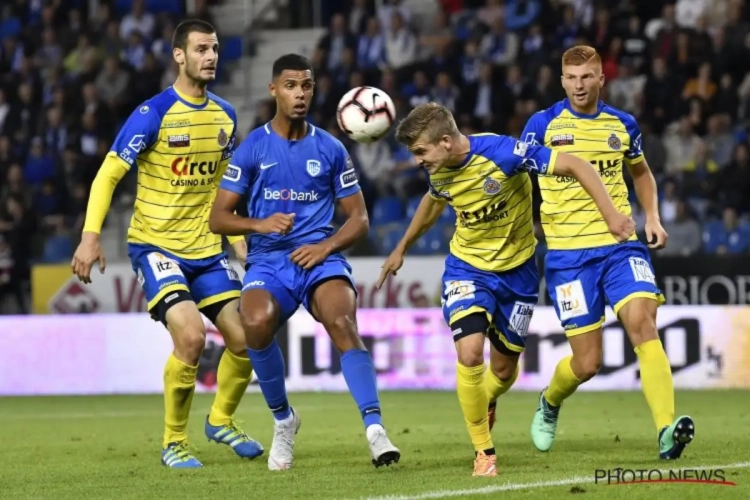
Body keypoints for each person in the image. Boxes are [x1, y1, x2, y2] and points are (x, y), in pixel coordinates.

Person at [377, 102, 634, 477]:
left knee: (503, 369)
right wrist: (401, 247)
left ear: (446, 141)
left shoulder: (505, 154)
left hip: (518, 274)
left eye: (420, 151)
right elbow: (433, 202)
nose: (417, 161)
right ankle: (484, 452)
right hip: (468, 269)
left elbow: (576, 165)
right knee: (468, 354)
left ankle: (488, 400)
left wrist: (611, 214)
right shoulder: (440, 169)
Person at [70, 20, 263, 468]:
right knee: (192, 336)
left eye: (214, 48)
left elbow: (223, 187)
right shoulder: (152, 113)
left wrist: (236, 239)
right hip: (155, 246)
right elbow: (109, 173)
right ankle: (174, 442)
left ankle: (220, 421)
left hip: (205, 248)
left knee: (248, 340)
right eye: (200, 49)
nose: (211, 56)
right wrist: (90, 235)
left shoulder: (225, 116)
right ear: (179, 55)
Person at [208, 53, 400, 471]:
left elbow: (360, 219)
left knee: (342, 320)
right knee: (254, 323)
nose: (300, 94)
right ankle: (284, 421)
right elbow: (218, 217)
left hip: (319, 260)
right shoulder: (252, 148)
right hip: (269, 260)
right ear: (273, 89)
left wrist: (326, 246)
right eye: (291, 85)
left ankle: (375, 429)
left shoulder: (330, 148)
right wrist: (259, 224)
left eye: (307, 85)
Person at [521, 45, 694, 459]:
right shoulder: (541, 124)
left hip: (619, 246)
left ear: (602, 79)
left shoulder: (622, 124)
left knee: (642, 320)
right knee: (587, 363)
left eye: (587, 77)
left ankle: (666, 430)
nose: (579, 85)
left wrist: (651, 215)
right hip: (566, 257)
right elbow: (517, 179)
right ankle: (550, 401)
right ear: (562, 80)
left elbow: (641, 171)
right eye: (572, 77)